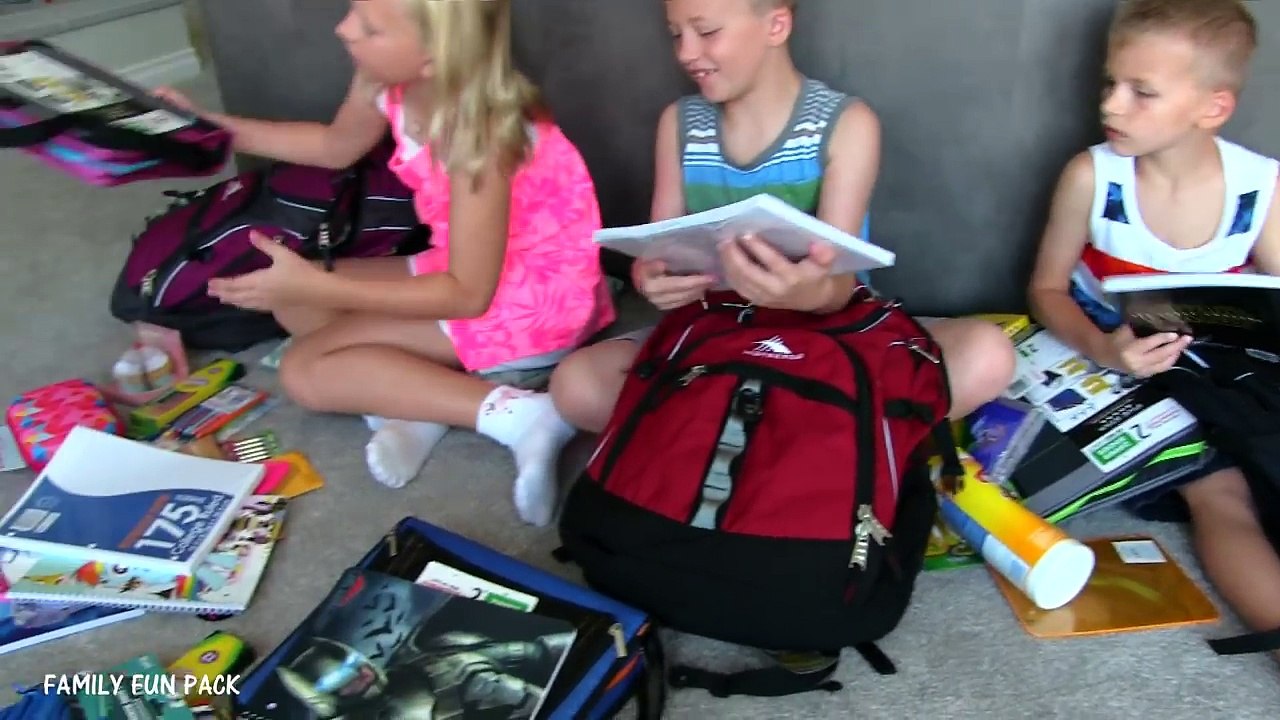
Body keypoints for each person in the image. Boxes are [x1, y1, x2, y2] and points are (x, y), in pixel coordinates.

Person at [156, 0, 615, 526]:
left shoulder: (481, 136)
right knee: (295, 301)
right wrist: (213, 129)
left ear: (433, 57)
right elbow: (334, 146)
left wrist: (322, 287)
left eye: (370, 28)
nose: (343, 28)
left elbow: (468, 295)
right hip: (466, 267)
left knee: (305, 371)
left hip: (530, 308)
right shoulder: (384, 79)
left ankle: (522, 416)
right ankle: (421, 401)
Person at [549, 0, 1016, 438]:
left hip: (829, 336)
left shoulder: (846, 124)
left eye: (706, 32)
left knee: (988, 354)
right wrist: (650, 280)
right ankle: (807, 431)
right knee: (576, 385)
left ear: (776, 25)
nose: (687, 53)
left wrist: (807, 293)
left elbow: (841, 286)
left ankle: (749, 431)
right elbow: (657, 252)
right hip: (718, 336)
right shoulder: (680, 123)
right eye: (676, 34)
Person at [1027, 0, 1280, 662]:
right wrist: (1103, 347)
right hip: (1116, 363)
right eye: (1110, 83)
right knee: (1219, 489)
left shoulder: (1260, 188)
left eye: (1142, 92)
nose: (1111, 105)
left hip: (1223, 367)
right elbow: (1045, 290)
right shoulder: (1093, 176)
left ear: (1212, 108)